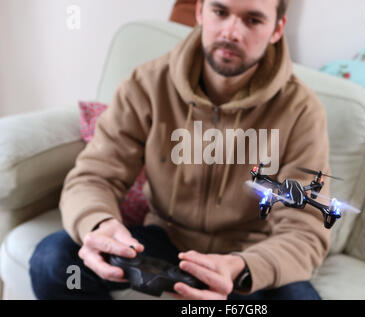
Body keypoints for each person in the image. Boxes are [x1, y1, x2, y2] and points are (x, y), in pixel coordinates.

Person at [29, 0, 331, 300]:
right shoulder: (147, 84)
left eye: (253, 20)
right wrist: (100, 225)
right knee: (52, 261)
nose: (231, 32)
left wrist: (241, 267)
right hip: (166, 240)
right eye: (220, 12)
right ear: (200, 11)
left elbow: (305, 231)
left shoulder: (302, 112)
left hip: (246, 259)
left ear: (277, 28)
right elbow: (94, 176)